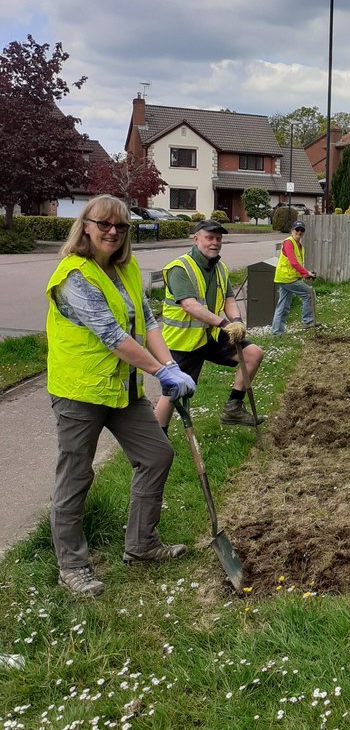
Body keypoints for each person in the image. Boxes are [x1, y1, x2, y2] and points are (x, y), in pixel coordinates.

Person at [46, 195, 196, 597]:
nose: (113, 232)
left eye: (121, 226)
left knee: (157, 454)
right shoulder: (73, 275)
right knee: (76, 475)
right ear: (86, 225)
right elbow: (112, 335)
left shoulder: (125, 269)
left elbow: (147, 322)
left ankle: (141, 545)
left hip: (121, 390)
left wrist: (171, 366)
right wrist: (160, 370)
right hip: (80, 391)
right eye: (104, 224)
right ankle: (72, 565)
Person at [154, 219, 265, 430]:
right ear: (196, 239)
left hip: (210, 336)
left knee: (253, 354)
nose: (214, 242)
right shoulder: (180, 268)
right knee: (172, 392)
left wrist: (238, 322)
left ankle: (233, 407)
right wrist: (224, 323)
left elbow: (229, 300)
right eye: (209, 238)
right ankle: (159, 439)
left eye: (218, 238)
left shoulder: (220, 268)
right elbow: (189, 306)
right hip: (183, 341)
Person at [271, 219, 316, 334]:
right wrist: (306, 273)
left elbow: (297, 264)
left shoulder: (299, 245)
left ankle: (276, 333)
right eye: (297, 229)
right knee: (309, 293)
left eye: (302, 230)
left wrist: (305, 273)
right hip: (287, 278)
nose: (299, 232)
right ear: (292, 230)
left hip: (286, 278)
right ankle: (307, 321)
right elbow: (293, 262)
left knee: (283, 306)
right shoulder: (288, 243)